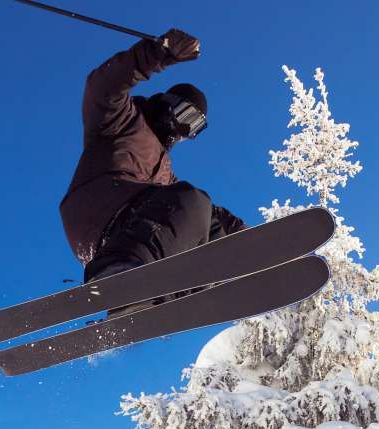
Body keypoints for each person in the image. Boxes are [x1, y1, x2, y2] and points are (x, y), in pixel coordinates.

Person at [59, 29, 246, 287]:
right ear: (167, 102)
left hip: (135, 229)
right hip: (99, 215)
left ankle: (167, 297)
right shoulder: (122, 120)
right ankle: (120, 270)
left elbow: (213, 214)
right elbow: (101, 88)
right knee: (192, 201)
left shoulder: (164, 175)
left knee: (206, 223)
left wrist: (250, 239)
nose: (183, 131)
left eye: (193, 128)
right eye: (185, 115)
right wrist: (160, 52)